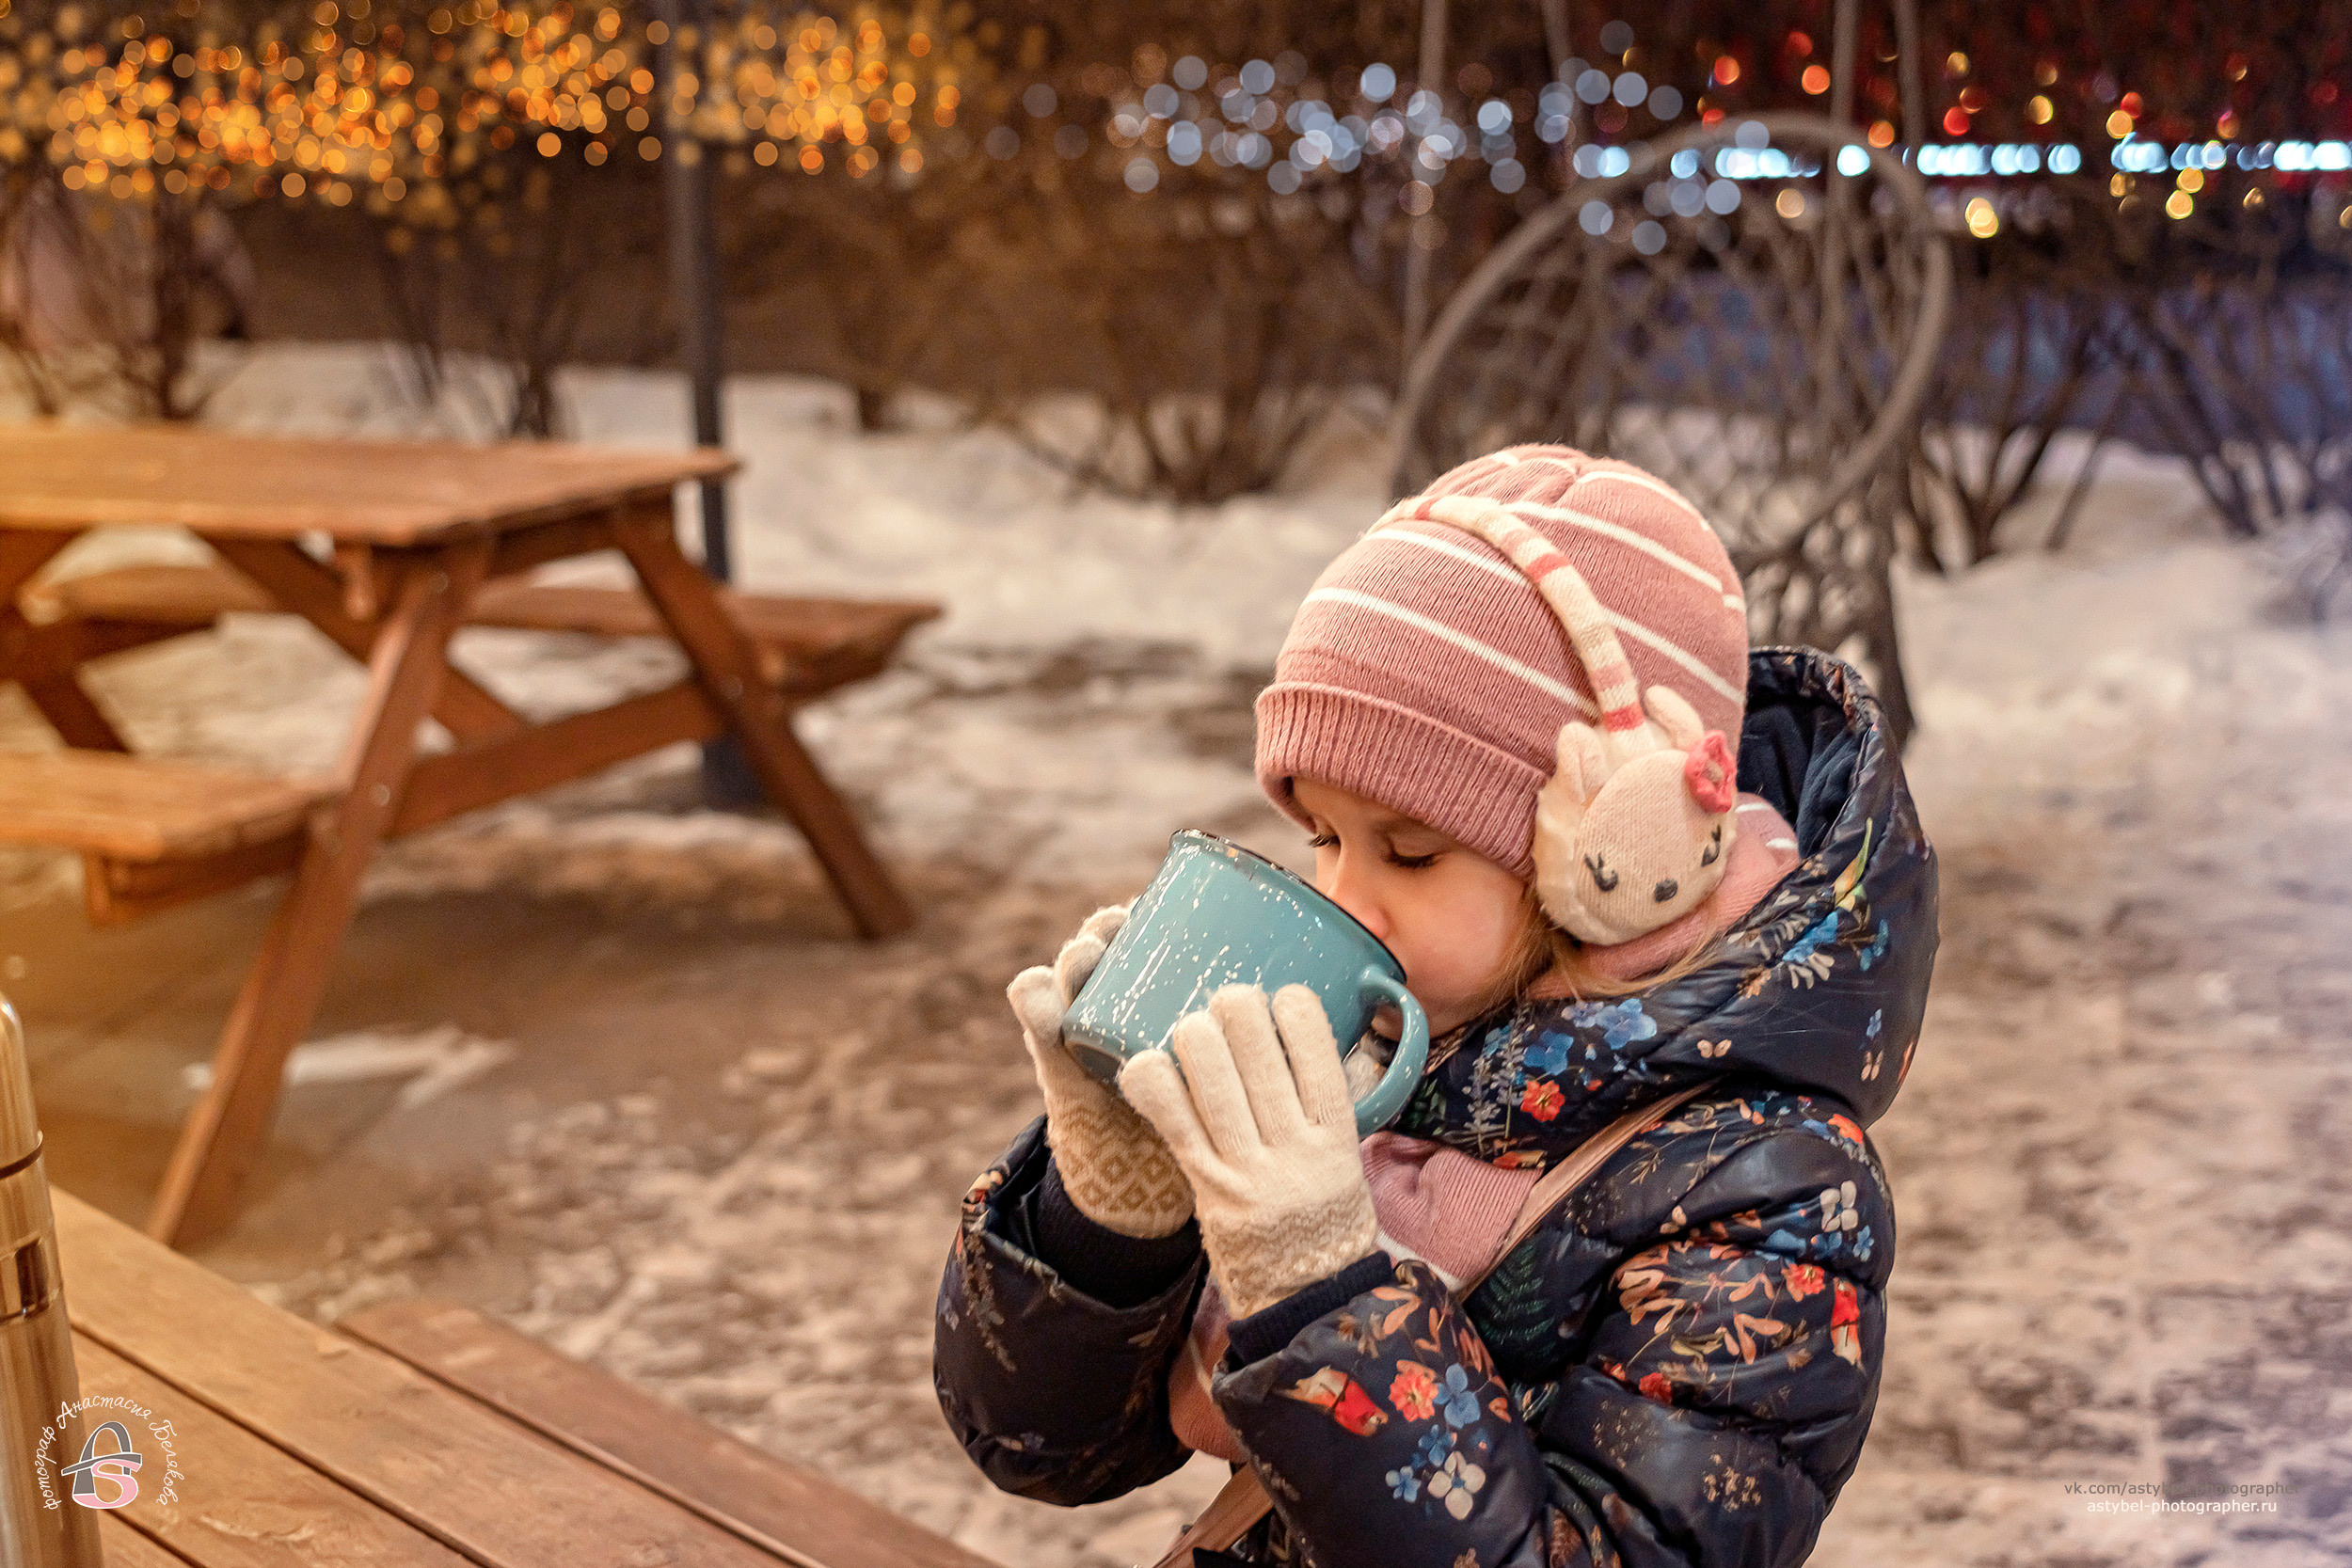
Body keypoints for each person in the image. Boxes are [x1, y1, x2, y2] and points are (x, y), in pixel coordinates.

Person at [933, 445, 1938, 1565]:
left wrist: (1321, 1292)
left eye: (1408, 850)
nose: (1341, 896)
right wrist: (1109, 1213)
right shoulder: (1393, 1051)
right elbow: (1043, 1444)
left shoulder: (1768, 1193)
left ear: (1614, 853)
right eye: (1321, 835)